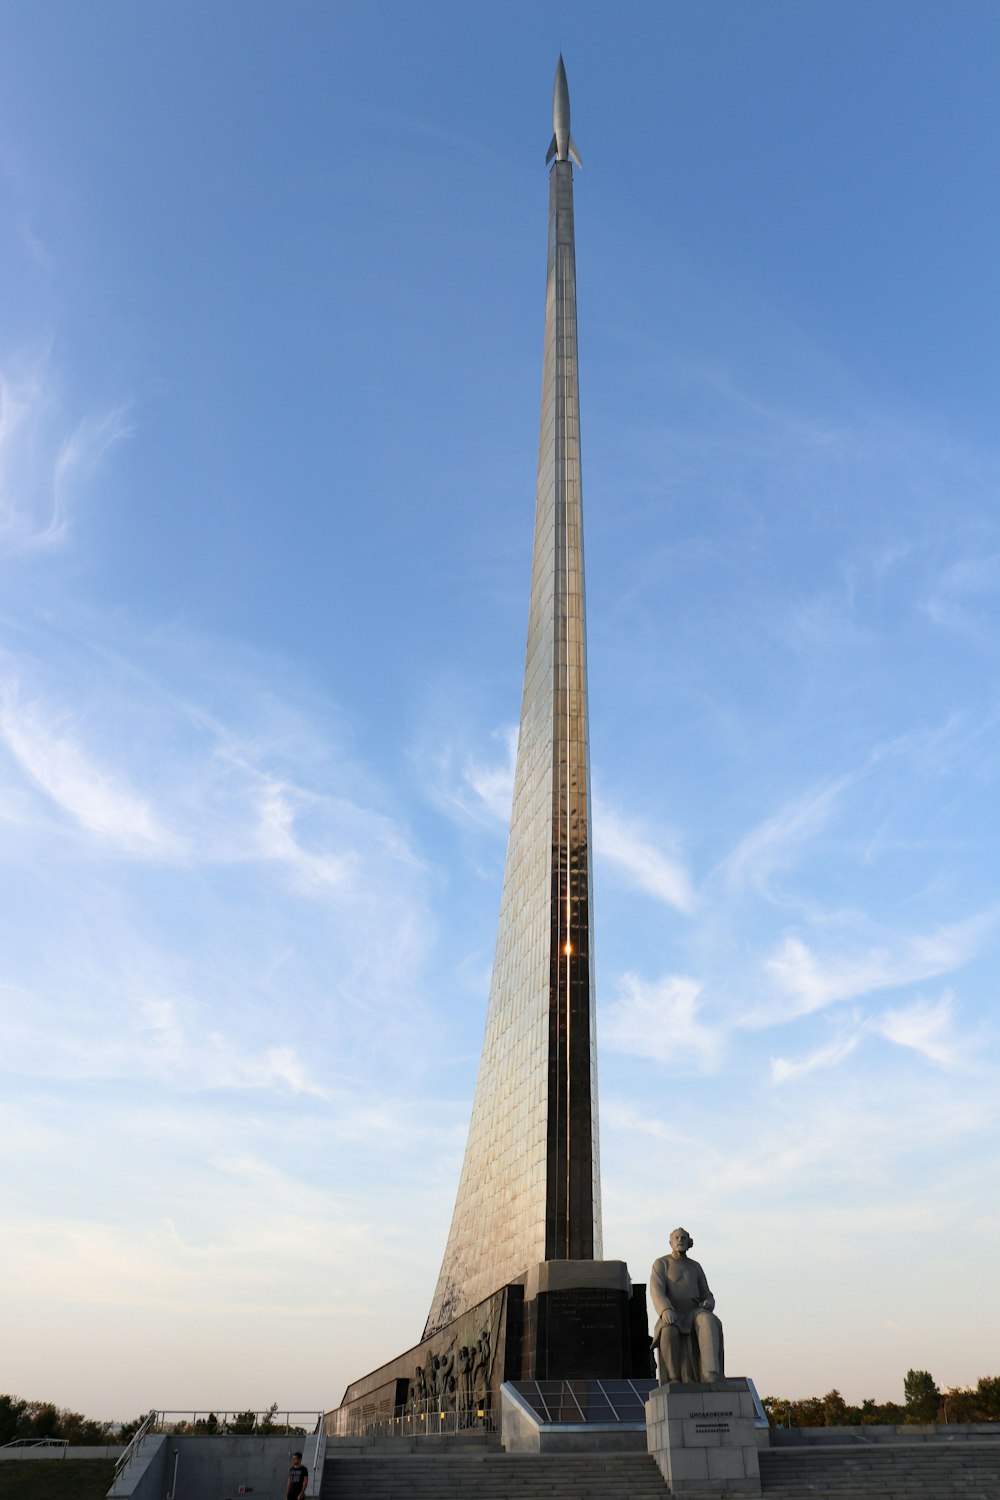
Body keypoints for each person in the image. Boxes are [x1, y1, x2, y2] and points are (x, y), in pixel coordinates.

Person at [649, 1226, 724, 1384]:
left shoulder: (695, 1266)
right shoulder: (661, 1263)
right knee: (668, 1330)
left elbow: (707, 1294)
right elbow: (656, 1290)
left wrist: (708, 1302)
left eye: (683, 1238)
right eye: (676, 1238)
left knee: (708, 1320)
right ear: (670, 1242)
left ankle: (710, 1372)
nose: (680, 1240)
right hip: (673, 1312)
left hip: (694, 1312)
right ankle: (674, 1377)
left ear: (689, 1243)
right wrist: (665, 1309)